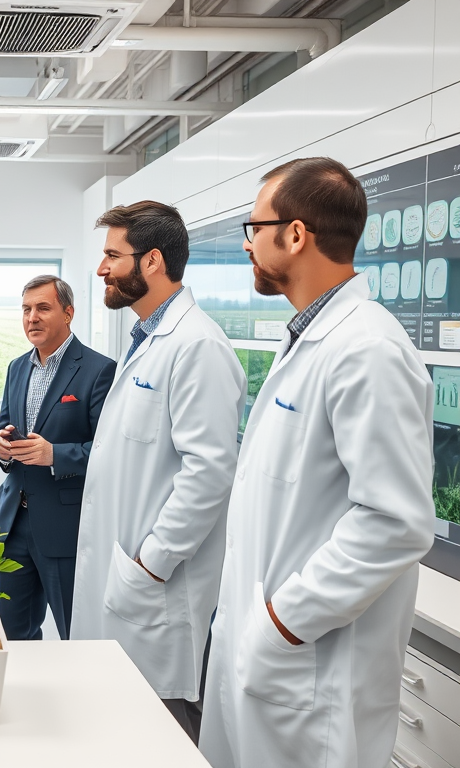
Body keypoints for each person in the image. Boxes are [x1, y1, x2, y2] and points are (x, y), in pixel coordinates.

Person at [198, 157, 435, 768]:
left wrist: (283, 620)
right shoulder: (311, 337)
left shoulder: (368, 350)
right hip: (270, 652)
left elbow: (395, 522)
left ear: (296, 234)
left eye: (255, 226)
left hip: (309, 662)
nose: (248, 243)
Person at [70, 201, 246, 744]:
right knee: (123, 727)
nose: (101, 268)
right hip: (123, 575)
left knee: (163, 735)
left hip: (154, 587)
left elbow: (209, 474)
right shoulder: (147, 339)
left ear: (150, 262)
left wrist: (151, 564)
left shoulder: (198, 347)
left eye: (111, 256)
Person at [0, 275, 115, 641]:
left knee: (73, 631)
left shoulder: (98, 370)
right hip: (14, 523)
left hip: (66, 525)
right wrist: (1, 446)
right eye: (26, 309)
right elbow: (5, 426)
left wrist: (54, 455)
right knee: (12, 631)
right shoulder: (17, 368)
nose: (32, 317)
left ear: (68, 313)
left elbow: (110, 453)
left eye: (43, 308)